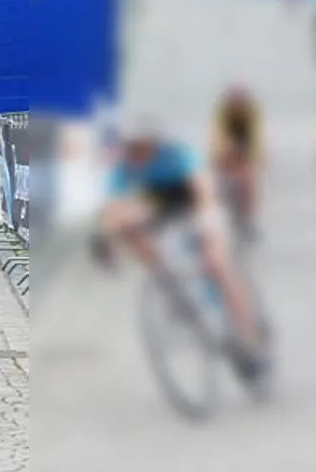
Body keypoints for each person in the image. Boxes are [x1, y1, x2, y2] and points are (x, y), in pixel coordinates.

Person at [97, 113, 267, 381]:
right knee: (125, 226)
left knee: (216, 264)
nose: (136, 154)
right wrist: (106, 242)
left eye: (142, 148)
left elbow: (203, 192)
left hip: (196, 204)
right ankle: (165, 276)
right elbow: (112, 209)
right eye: (132, 149)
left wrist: (207, 228)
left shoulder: (175, 155)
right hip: (159, 210)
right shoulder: (124, 165)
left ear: (153, 144)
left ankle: (249, 339)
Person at [209, 84, 262, 241]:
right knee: (223, 177)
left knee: (249, 180)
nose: (237, 106)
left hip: (245, 149)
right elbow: (216, 139)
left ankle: (249, 217)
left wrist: (254, 161)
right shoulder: (222, 114)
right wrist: (221, 158)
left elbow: (257, 140)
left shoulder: (252, 114)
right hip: (227, 150)